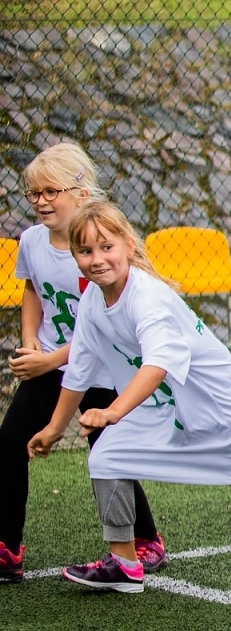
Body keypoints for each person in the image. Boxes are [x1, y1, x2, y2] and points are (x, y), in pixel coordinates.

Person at [28, 202, 231, 592]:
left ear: (128, 246)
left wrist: (113, 411)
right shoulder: (93, 302)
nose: (97, 259)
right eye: (85, 251)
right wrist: (52, 429)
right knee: (106, 456)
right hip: (157, 403)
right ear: (74, 256)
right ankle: (124, 563)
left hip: (208, 400)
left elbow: (157, 364)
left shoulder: (146, 297)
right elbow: (79, 368)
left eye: (106, 247)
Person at [2, 143, 161, 581]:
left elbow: (100, 326)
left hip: (101, 366)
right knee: (10, 441)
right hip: (50, 365)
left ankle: (145, 541)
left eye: (51, 191)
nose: (41, 201)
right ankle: (7, 548)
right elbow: (31, 291)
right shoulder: (32, 241)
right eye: (33, 193)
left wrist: (51, 357)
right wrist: (32, 342)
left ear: (81, 190)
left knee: (107, 450)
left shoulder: (97, 247)